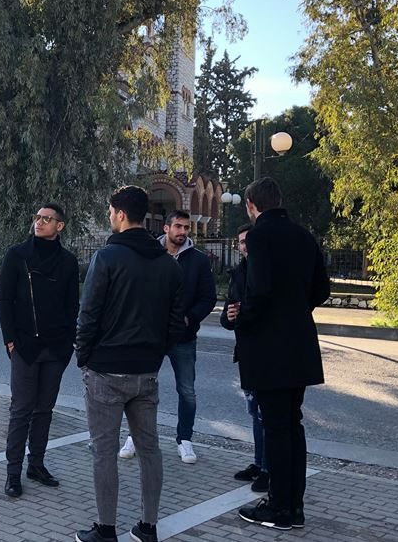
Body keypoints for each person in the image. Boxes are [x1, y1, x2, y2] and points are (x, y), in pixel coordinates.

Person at [74, 186, 186, 542]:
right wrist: (155, 354)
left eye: (111, 211)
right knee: (150, 449)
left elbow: (88, 314)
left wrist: (83, 357)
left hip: (106, 370)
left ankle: (106, 529)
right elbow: (176, 323)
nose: (110, 216)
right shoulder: (168, 264)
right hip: (146, 372)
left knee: (104, 452)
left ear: (121, 214)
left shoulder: (106, 258)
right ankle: (148, 526)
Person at [234, 177, 329, 531]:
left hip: (268, 349)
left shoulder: (259, 236)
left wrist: (243, 317)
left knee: (275, 429)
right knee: (292, 426)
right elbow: (322, 289)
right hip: (299, 344)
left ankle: (279, 508)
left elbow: (258, 290)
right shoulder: (304, 236)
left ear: (251, 205)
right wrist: (295, 309)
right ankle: (294, 506)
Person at [119, 209, 216, 464]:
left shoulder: (198, 260)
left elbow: (208, 297)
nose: (183, 232)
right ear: (166, 228)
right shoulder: (150, 254)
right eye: (178, 227)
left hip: (183, 337)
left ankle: (185, 439)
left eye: (186, 227)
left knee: (187, 391)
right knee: (139, 387)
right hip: (150, 335)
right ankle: (133, 436)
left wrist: (189, 318)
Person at [0, 204, 79, 498]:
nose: (39, 222)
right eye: (38, 218)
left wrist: (68, 344)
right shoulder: (17, 255)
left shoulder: (68, 262)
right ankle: (13, 473)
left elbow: (72, 306)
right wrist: (10, 340)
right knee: (21, 410)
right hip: (25, 347)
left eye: (47, 219)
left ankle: (37, 465)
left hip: (56, 349)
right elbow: (4, 300)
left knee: (44, 410)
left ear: (60, 226)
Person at [220, 223, 268, 492]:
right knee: (254, 412)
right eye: (240, 242)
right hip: (246, 352)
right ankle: (259, 464)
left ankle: (269, 469)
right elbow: (227, 315)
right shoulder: (238, 273)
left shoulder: (267, 271)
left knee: (265, 414)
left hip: (266, 352)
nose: (244, 245)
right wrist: (228, 316)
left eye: (248, 240)